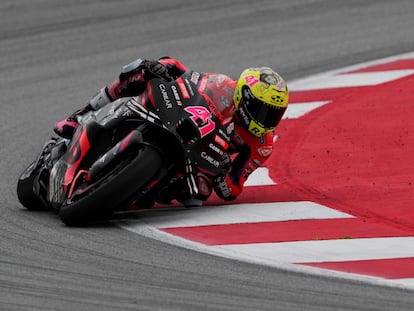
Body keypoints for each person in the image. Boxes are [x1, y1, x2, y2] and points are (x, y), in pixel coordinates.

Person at [54, 57, 288, 202]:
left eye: (275, 113)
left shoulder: (263, 144)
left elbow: (235, 186)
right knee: (139, 70)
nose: (267, 119)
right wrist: (163, 66)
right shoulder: (223, 85)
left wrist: (224, 177)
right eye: (263, 110)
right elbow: (186, 74)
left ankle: (137, 189)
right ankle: (80, 115)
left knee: (198, 194)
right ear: (244, 96)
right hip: (176, 118)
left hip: (200, 159)